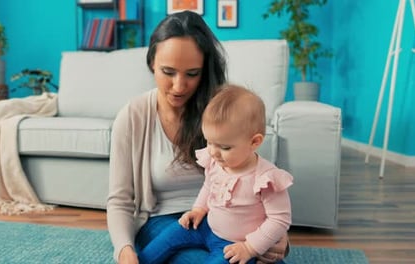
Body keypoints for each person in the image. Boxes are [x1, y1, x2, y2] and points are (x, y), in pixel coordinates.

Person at [106, 10, 289, 264]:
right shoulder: (133, 116)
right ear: (151, 63)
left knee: (257, 258)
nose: (179, 86)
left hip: (231, 221)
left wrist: (276, 237)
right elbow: (119, 200)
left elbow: (254, 175)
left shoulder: (223, 108)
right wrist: (125, 251)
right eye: (168, 72)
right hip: (164, 220)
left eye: (192, 74)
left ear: (205, 70)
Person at [137, 85, 293, 264]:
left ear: (254, 142)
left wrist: (250, 248)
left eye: (224, 147)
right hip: (206, 226)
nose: (213, 152)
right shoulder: (216, 161)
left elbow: (280, 219)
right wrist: (199, 209)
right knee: (166, 238)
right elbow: (208, 187)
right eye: (209, 142)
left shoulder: (266, 179)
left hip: (236, 244)